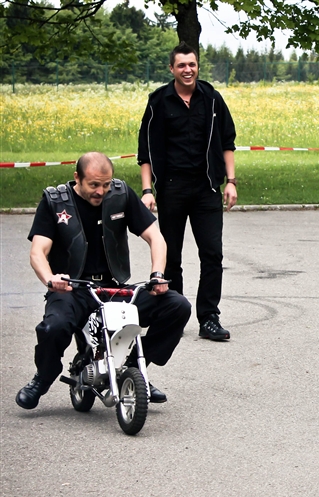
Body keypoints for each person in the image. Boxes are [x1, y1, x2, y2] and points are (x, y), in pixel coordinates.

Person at [16, 152, 191, 410]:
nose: (101, 191)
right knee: (53, 328)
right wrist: (51, 278)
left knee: (178, 306)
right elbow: (38, 252)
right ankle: (43, 377)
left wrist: (157, 274)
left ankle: (132, 370)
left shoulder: (121, 195)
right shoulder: (55, 201)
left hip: (113, 288)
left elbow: (156, 237)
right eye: (94, 185)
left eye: (106, 184)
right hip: (72, 289)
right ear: (77, 178)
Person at [137, 41, 237, 341]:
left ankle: (209, 318)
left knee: (212, 255)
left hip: (207, 188)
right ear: (172, 68)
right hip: (172, 189)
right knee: (171, 257)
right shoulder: (158, 101)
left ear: (197, 66)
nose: (187, 69)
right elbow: (145, 152)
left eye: (192, 64)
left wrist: (231, 182)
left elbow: (227, 142)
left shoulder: (212, 99)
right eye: (181, 65)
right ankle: (174, 314)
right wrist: (147, 190)